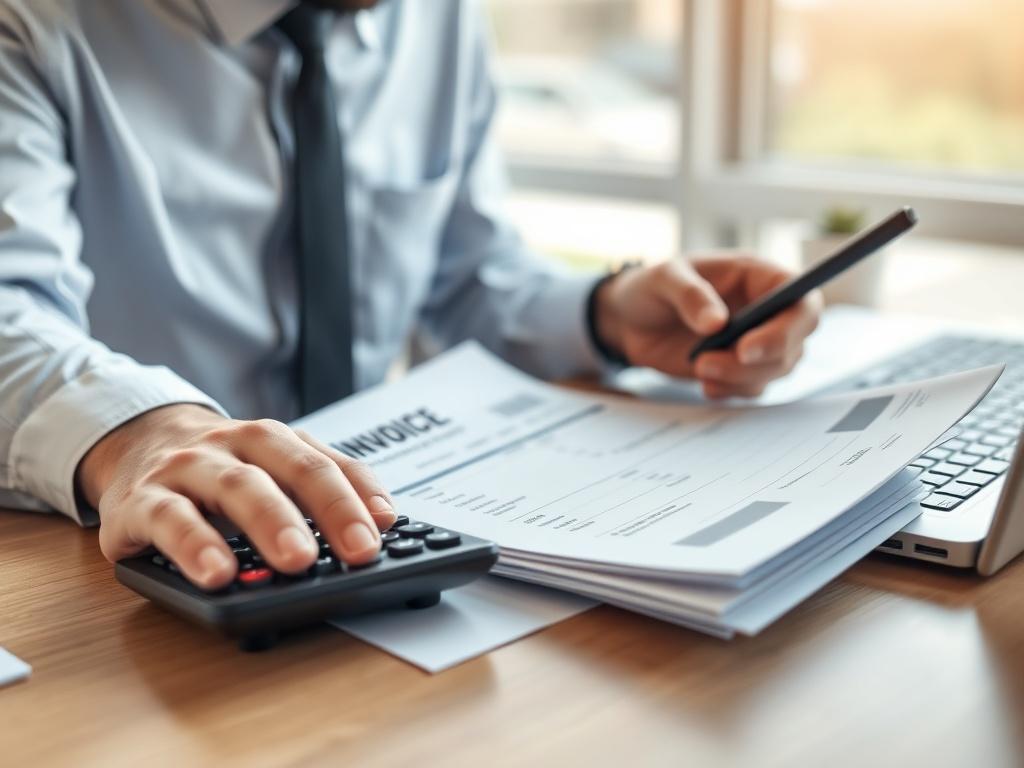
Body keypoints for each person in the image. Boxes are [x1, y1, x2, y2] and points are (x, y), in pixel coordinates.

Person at [0, 0, 821, 590]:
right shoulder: (33, 24)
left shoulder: (436, 18)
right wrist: (142, 435)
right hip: (117, 561)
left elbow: (465, 275)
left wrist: (604, 316)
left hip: (379, 529)